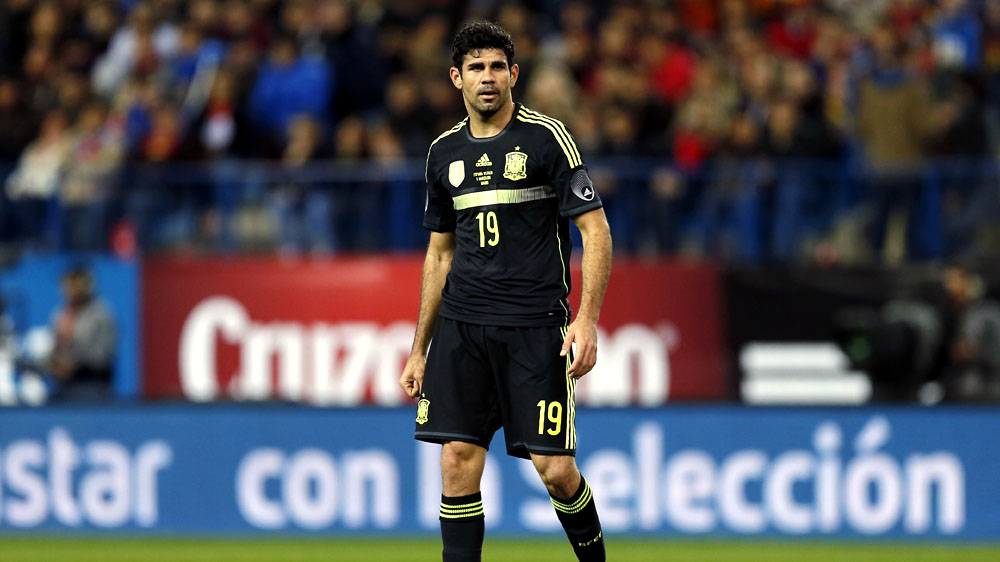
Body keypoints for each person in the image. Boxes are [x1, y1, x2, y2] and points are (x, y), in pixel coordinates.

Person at [398, 22, 612, 562]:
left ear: (514, 74)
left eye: (497, 67)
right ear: (456, 78)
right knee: (456, 462)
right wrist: (419, 347)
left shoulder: (546, 138)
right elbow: (440, 255)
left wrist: (585, 321)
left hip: (535, 328)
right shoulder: (442, 153)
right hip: (463, 329)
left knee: (556, 470)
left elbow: (596, 231)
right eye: (476, 68)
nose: (487, 78)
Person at [47, 267, 116, 401]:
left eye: (71, 285)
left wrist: (73, 363)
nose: (66, 290)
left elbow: (100, 356)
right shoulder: (60, 315)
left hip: (92, 385)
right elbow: (54, 350)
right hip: (63, 386)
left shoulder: (100, 315)